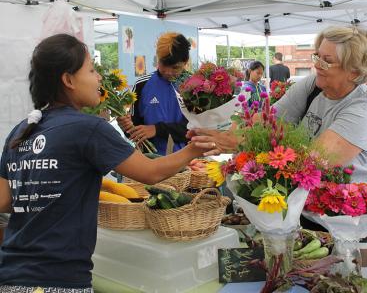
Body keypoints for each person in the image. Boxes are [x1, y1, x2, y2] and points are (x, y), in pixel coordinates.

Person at [0, 34, 213, 292]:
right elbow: (150, 172)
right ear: (68, 80)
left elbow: (5, 200)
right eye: (91, 70)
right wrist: (194, 149)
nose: (98, 78)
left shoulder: (21, 130)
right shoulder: (88, 128)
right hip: (58, 280)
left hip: (11, 277)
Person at [191, 26, 367, 259]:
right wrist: (229, 133)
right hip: (316, 208)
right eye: (317, 56)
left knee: (355, 276)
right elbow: (268, 122)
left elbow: (313, 160)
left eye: (327, 61)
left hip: (361, 218)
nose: (317, 64)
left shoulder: (365, 109)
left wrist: (240, 144)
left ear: (354, 71)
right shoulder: (313, 85)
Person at [117, 32, 190, 155]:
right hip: (149, 162)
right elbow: (134, 131)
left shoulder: (194, 87)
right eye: (163, 65)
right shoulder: (142, 85)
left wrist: (157, 129)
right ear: (158, 58)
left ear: (185, 61)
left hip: (187, 162)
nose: (168, 72)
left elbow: (195, 130)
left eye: (175, 68)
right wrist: (126, 126)